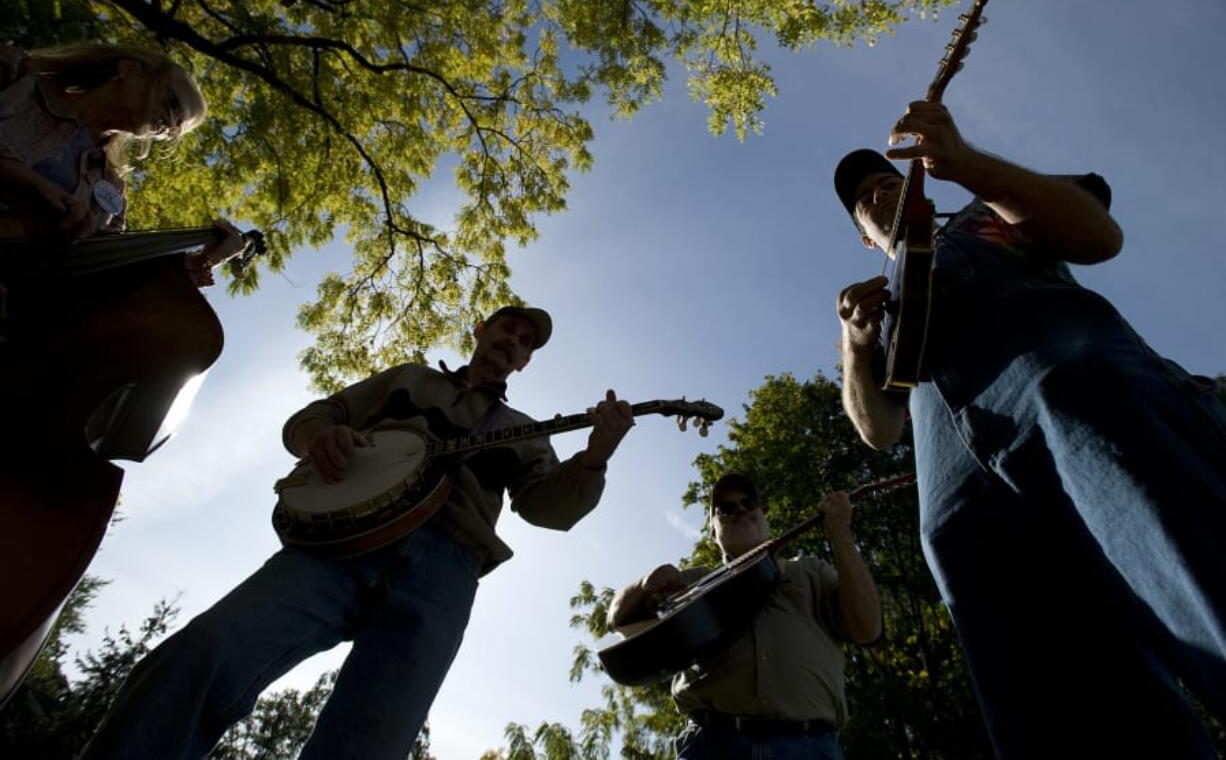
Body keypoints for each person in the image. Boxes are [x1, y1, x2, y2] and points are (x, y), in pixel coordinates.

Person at [833, 101, 1226, 758]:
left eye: (887, 182)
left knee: (1196, 575)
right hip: (964, 516)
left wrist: (969, 166)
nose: (878, 194)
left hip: (1083, 407)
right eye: (864, 200)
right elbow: (878, 430)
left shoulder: (988, 216)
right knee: (1065, 716)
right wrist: (853, 343)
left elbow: (1099, 234)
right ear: (864, 238)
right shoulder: (882, 309)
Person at [82, 306, 637, 760]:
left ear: (526, 362)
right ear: (480, 330)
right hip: (335, 550)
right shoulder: (408, 378)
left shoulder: (526, 432)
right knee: (203, 653)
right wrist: (319, 437)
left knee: (369, 741)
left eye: (524, 342)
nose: (513, 341)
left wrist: (594, 459)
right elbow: (317, 415)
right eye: (506, 329)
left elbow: (549, 510)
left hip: (446, 570)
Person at [607, 472, 882, 760]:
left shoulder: (810, 571)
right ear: (712, 533)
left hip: (811, 746)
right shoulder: (692, 583)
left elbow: (868, 629)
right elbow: (617, 621)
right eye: (725, 509)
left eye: (748, 503)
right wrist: (642, 585)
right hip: (712, 745)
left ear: (764, 517)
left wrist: (842, 538)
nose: (740, 509)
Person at [0, 43, 243, 280]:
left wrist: (191, 265)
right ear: (128, 69)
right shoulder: (17, 72)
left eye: (176, 130)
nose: (169, 125)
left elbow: (101, 276)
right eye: (172, 103)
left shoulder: (113, 190)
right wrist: (28, 183)